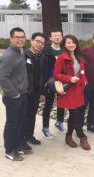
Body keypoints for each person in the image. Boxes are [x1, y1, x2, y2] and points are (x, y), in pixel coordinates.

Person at [54, 35, 90, 150]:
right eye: (68, 43)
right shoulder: (61, 57)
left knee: (78, 113)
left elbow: (83, 72)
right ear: (64, 44)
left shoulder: (79, 56)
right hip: (69, 90)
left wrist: (85, 82)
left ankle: (68, 136)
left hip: (79, 89)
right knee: (75, 114)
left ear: (76, 44)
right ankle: (81, 136)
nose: (71, 44)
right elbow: (56, 74)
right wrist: (69, 78)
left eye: (73, 42)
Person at [0, 27, 30, 161]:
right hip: (13, 97)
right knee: (12, 124)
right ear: (11, 39)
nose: (20, 39)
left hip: (22, 94)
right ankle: (9, 150)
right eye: (17, 37)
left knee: (19, 122)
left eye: (22, 37)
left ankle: (17, 145)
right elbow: (2, 77)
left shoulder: (20, 51)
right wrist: (14, 93)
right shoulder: (9, 55)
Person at [23, 32, 48, 146]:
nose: (40, 44)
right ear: (31, 41)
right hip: (24, 92)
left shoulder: (43, 57)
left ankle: (29, 136)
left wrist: (42, 92)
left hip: (36, 91)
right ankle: (21, 139)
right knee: (23, 116)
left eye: (42, 43)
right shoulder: (24, 55)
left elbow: (43, 76)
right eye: (37, 41)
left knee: (32, 115)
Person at [42, 29, 66, 138]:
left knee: (62, 103)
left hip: (62, 80)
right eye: (54, 36)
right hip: (50, 81)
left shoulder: (64, 50)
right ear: (50, 38)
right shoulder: (46, 50)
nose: (57, 37)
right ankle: (45, 128)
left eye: (59, 36)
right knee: (48, 104)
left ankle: (59, 122)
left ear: (62, 38)